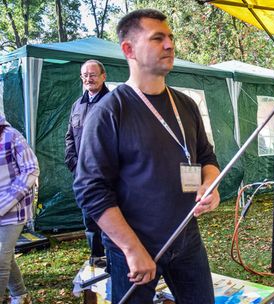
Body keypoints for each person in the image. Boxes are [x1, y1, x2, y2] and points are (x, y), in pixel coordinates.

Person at [73, 9, 220, 304]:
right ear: (129, 49)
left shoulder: (186, 105)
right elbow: (90, 190)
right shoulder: (109, 112)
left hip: (186, 237)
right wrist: (131, 249)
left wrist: (210, 183)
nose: (169, 45)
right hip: (134, 245)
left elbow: (206, 156)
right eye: (157, 38)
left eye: (170, 38)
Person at [65, 59, 109, 268]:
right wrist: (73, 162)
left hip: (107, 173)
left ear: (103, 76)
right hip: (82, 174)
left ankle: (115, 255)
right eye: (85, 75)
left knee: (111, 214)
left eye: (93, 74)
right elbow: (69, 137)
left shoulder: (112, 102)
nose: (89, 78)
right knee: (89, 217)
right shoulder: (77, 104)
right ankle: (97, 255)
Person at [0, 114, 39, 304]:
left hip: (14, 210)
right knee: (4, 255)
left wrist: (6, 202)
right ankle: (21, 295)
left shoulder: (12, 136)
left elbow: (31, 169)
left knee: (0, 258)